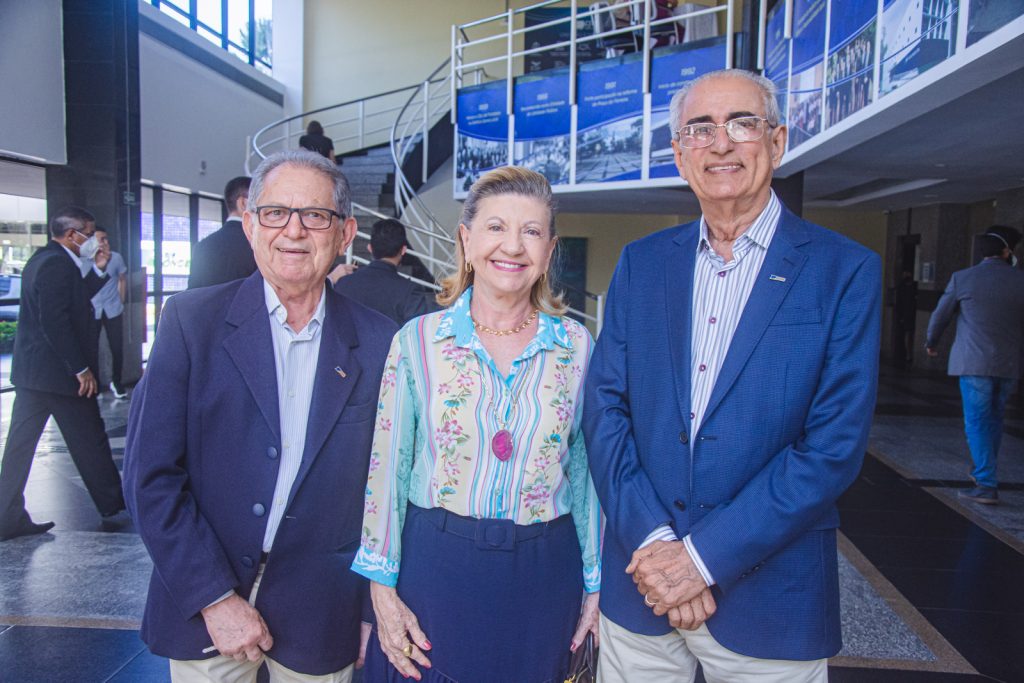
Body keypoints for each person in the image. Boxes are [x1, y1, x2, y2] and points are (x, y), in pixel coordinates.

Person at [583, 69, 881, 682]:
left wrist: (699, 559)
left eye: (742, 123)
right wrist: (655, 544)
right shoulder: (642, 264)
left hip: (771, 600)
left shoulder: (845, 271)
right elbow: (606, 410)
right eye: (700, 128)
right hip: (641, 590)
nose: (720, 143)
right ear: (679, 154)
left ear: (777, 141)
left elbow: (832, 448)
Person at [123, 150, 398, 682]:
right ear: (250, 226)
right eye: (275, 213)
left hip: (324, 607)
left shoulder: (381, 341)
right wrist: (213, 598)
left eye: (315, 215)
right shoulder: (190, 323)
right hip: (208, 599)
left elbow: (386, 492)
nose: (294, 231)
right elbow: (149, 477)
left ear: (345, 234)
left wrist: (372, 608)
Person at [352, 166, 601, 683]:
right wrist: (381, 588)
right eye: (495, 227)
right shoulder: (417, 341)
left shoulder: (576, 347)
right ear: (466, 240)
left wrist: (596, 584)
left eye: (531, 231)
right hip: (437, 568)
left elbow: (586, 474)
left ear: (549, 251)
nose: (512, 246)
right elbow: (388, 468)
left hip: (545, 575)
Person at [0, 207, 125, 541]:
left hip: (34, 376)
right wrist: (80, 369)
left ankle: (6, 516)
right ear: (72, 235)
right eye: (90, 233)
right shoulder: (57, 264)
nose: (94, 240)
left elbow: (73, 298)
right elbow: (55, 321)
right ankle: (115, 506)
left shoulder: (44, 259)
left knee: (20, 446)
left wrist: (99, 271)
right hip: (61, 377)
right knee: (90, 438)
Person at [925, 226, 1024, 505]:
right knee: (995, 419)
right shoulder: (1020, 280)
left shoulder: (963, 278)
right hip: (1008, 364)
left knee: (977, 421)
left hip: (974, 362)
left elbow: (940, 315)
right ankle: (983, 469)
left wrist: (931, 341)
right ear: (1006, 251)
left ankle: (986, 482)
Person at [333, 218, 440, 325]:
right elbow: (418, 330)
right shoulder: (410, 291)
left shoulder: (343, 283)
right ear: (403, 250)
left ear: (370, 248)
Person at [187, 176, 257, 289]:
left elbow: (192, 293)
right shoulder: (257, 245)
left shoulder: (202, 247)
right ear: (243, 203)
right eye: (259, 202)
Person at [90, 226, 129, 398]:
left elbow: (122, 279)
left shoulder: (116, 258)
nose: (104, 242)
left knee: (116, 347)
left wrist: (121, 301)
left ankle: (117, 381)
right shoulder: (85, 260)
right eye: (101, 239)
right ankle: (94, 383)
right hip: (93, 308)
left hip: (113, 307)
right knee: (92, 348)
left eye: (106, 238)